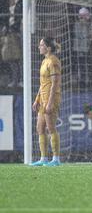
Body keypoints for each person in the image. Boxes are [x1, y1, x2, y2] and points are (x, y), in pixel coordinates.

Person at [30, 38, 62, 167]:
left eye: (42, 45)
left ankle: (56, 159)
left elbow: (55, 83)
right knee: (40, 128)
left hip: (51, 98)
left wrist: (50, 102)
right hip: (43, 98)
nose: (39, 47)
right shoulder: (44, 61)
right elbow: (43, 83)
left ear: (48, 48)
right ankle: (43, 158)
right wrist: (37, 99)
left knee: (50, 128)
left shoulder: (53, 61)